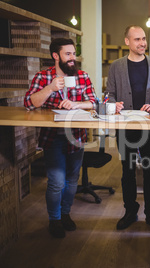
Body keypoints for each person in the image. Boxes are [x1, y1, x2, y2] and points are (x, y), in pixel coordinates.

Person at [24, 38, 97, 238]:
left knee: (72, 179)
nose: (73, 58)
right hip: (53, 137)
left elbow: (93, 102)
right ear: (56, 56)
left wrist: (77, 105)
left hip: (77, 136)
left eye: (74, 54)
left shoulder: (82, 76)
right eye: (68, 54)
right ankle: (54, 219)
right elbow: (30, 104)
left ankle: (65, 214)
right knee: (56, 181)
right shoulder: (43, 76)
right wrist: (50, 88)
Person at [106, 25, 150, 232]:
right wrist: (114, 105)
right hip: (125, 127)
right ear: (127, 42)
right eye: (137, 39)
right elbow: (110, 95)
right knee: (128, 170)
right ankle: (130, 211)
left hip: (149, 128)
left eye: (144, 39)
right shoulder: (116, 66)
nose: (142, 43)